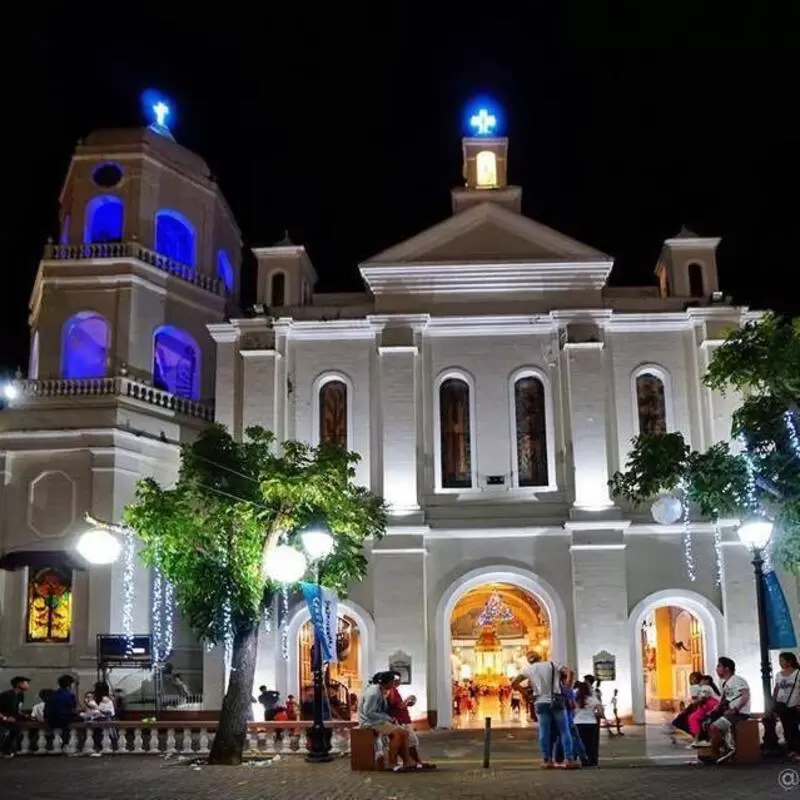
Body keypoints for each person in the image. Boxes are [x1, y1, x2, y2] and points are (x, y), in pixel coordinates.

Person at [512, 652, 579, 769]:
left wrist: (526, 694)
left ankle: (547, 760)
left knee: (544, 731)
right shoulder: (552, 664)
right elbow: (570, 672)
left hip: (540, 702)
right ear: (540, 658)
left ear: (529, 661)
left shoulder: (528, 670)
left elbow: (514, 683)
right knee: (564, 730)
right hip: (556, 700)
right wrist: (567, 687)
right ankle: (569, 759)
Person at [358, 671, 417, 771]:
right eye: (393, 682)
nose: (394, 684)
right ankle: (392, 763)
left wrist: (388, 718)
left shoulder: (381, 690)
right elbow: (368, 712)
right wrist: (387, 718)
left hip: (377, 721)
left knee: (405, 733)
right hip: (369, 722)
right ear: (387, 682)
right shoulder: (373, 693)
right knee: (397, 733)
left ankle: (407, 762)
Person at [386, 671, 434, 769]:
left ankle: (412, 761)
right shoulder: (391, 691)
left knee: (410, 742)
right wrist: (407, 700)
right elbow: (395, 705)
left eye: (399, 680)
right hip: (400, 720)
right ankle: (412, 761)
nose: (398, 682)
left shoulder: (394, 690)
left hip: (402, 719)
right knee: (412, 741)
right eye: (396, 680)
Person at [708, 657, 750, 764]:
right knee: (708, 723)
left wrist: (735, 709)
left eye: (719, 666)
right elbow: (725, 699)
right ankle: (718, 751)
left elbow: (745, 695)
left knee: (714, 727)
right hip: (730, 712)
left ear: (727, 668)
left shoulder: (737, 680)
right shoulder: (725, 683)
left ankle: (723, 751)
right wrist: (716, 708)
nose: (717, 669)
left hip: (739, 713)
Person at [769, 651, 800, 759]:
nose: (780, 663)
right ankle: (791, 750)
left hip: (794, 705)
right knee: (786, 727)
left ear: (790, 661)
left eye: (782, 660)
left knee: (794, 727)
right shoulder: (778, 674)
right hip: (782, 705)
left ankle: (796, 750)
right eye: (779, 661)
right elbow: (776, 689)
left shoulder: (797, 673)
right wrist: (773, 701)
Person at [0, 676, 30, 758]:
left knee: (16, 730)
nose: (28, 685)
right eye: (25, 683)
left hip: (13, 719)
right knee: (11, 730)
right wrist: (5, 718)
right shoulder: (6, 695)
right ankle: (4, 750)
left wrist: (24, 715)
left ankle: (6, 750)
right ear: (19, 684)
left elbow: (18, 708)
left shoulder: (21, 695)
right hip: (3, 719)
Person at [573, 681, 602, 766]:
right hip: (591, 723)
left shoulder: (575, 698)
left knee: (579, 742)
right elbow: (600, 712)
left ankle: (581, 759)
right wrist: (594, 714)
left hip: (578, 722)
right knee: (590, 743)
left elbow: (571, 711)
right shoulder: (593, 698)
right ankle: (591, 761)